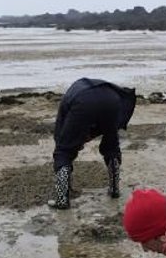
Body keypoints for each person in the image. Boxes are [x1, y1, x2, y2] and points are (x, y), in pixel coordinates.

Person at [48, 78, 137, 209]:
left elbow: (62, 140)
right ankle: (115, 189)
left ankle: (62, 199)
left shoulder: (65, 110)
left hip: (83, 100)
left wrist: (70, 145)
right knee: (111, 146)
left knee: (63, 151)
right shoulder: (77, 95)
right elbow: (96, 127)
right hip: (112, 99)